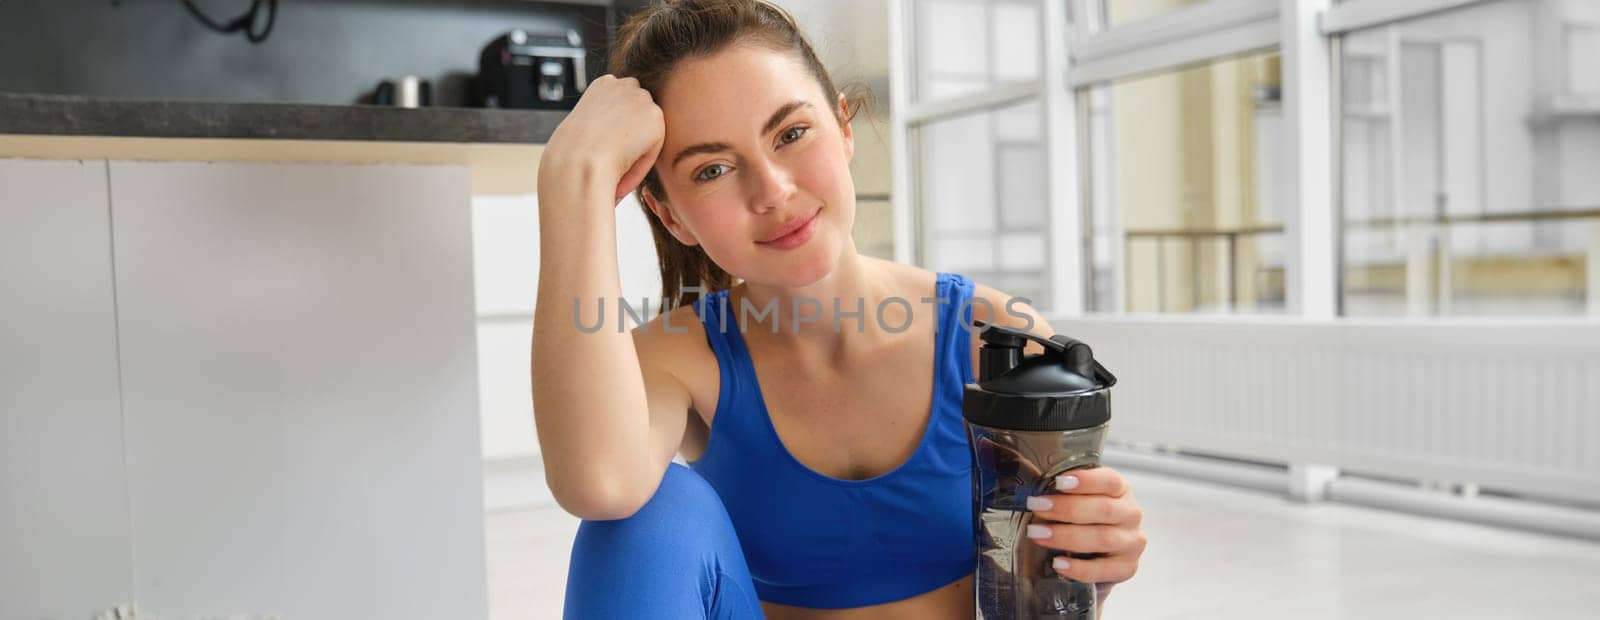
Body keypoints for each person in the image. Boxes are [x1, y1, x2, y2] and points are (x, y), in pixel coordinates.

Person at [531, 1, 1146, 617]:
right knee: (649, 514)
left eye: (791, 134)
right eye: (713, 169)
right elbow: (601, 486)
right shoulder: (677, 358)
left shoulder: (993, 339)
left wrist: (1087, 559)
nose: (773, 190)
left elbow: (1049, 584)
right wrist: (572, 181)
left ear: (844, 127)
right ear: (671, 217)